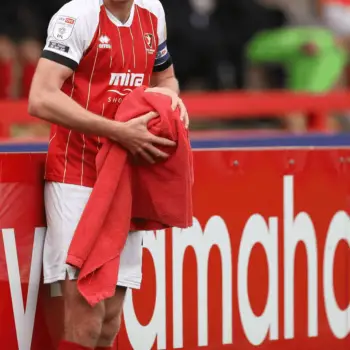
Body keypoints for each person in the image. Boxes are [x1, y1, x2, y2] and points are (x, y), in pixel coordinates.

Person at [28, 0, 189, 349]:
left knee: (109, 321)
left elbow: (166, 78)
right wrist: (116, 131)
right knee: (86, 318)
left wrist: (171, 101)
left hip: (121, 178)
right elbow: (40, 97)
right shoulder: (78, 16)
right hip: (76, 177)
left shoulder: (152, 13)